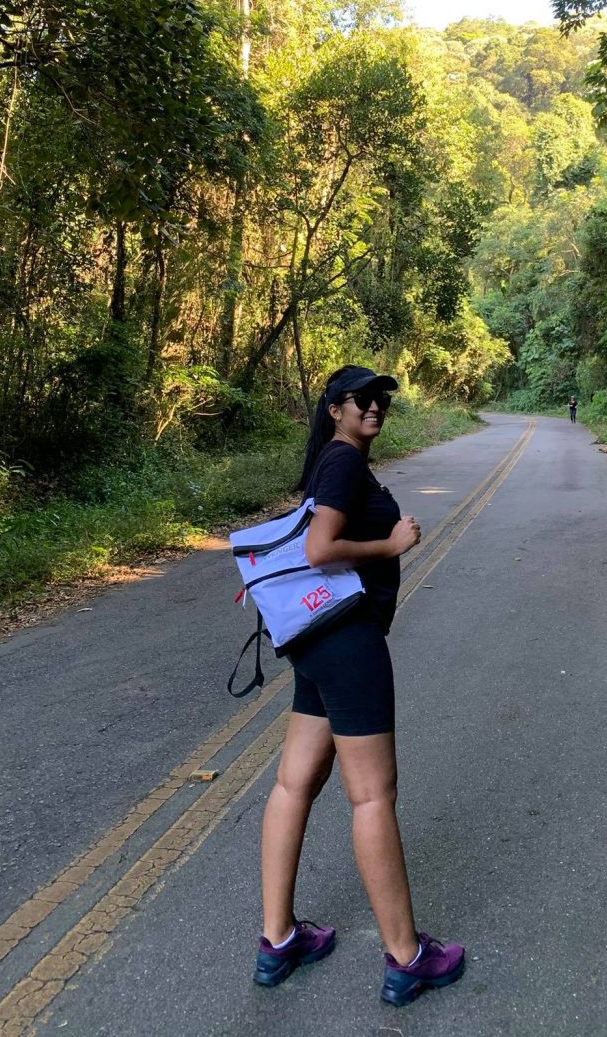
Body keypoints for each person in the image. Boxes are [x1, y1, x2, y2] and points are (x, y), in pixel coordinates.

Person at [253, 365, 465, 1007]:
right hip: (347, 642)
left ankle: (279, 940)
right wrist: (393, 542)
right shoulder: (342, 462)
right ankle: (407, 958)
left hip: (318, 640)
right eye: (362, 399)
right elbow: (321, 549)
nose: (375, 407)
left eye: (382, 399)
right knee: (372, 797)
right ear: (334, 408)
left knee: (294, 783)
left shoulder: (332, 463)